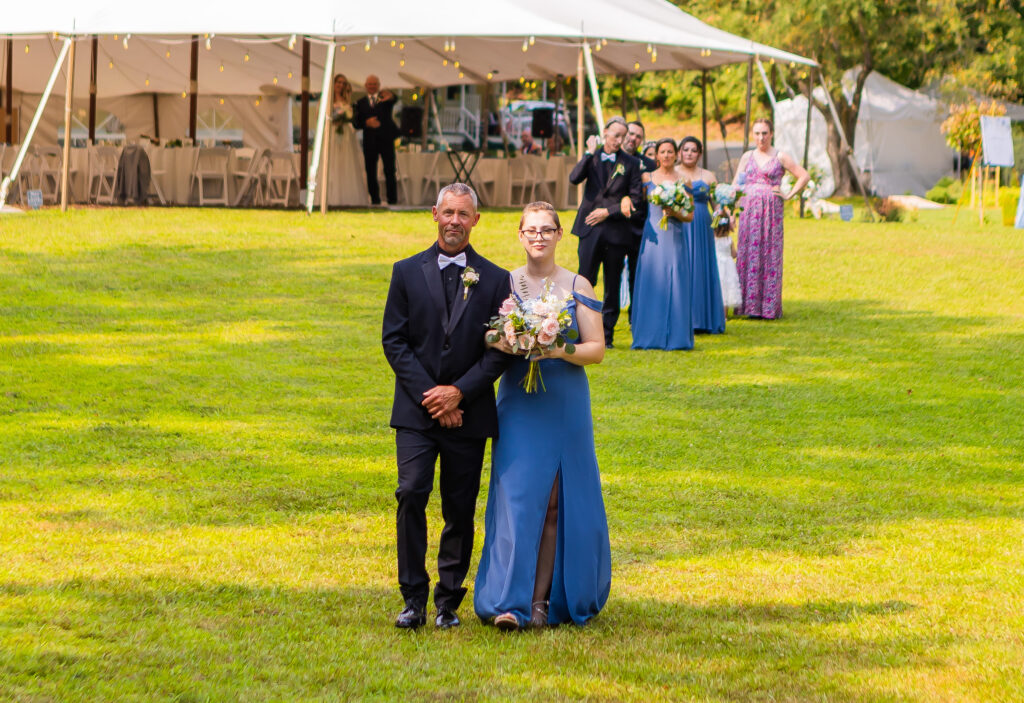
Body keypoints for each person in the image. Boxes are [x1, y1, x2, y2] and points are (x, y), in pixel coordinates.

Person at [474, 201, 611, 630]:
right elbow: (487, 336)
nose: (538, 236)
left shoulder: (577, 283)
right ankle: (507, 600)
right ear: (519, 235)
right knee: (516, 498)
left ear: (558, 235)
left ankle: (539, 601)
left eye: (546, 229)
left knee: (554, 501)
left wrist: (553, 348)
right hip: (518, 402)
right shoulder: (503, 282)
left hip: (564, 401)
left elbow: (596, 349)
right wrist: (513, 342)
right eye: (530, 230)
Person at [381, 184, 511, 630]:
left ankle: (448, 600)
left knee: (459, 506)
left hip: (468, 413)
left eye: (464, 214)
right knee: (411, 493)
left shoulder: (496, 279)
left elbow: (499, 350)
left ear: (477, 220)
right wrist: (434, 397)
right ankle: (413, 599)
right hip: (417, 414)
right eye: (448, 212)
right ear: (433, 213)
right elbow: (394, 341)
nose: (455, 220)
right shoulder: (404, 271)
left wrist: (459, 393)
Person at [569, 116, 643, 348]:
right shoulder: (593, 156)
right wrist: (588, 154)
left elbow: (636, 197)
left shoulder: (630, 163)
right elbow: (574, 178)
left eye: (624, 136)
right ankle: (579, 329)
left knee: (612, 284)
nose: (619, 140)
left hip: (616, 232)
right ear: (605, 133)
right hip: (590, 228)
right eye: (615, 135)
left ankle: (607, 335)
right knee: (585, 279)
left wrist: (609, 211)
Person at [733, 118, 809, 319]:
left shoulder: (780, 156)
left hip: (770, 213)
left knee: (769, 253)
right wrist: (730, 210)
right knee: (747, 253)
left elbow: (803, 175)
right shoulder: (747, 156)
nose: (761, 137)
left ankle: (767, 307)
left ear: (771, 133)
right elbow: (736, 184)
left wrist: (789, 194)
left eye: (764, 133)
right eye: (757, 133)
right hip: (748, 212)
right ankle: (746, 306)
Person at [630, 138, 694, 350]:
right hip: (653, 236)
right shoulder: (646, 177)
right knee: (652, 279)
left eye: (670, 152)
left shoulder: (684, 180)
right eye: (662, 152)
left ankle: (677, 336)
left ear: (676, 155)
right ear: (656, 155)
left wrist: (675, 211)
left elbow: (690, 215)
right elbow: (637, 205)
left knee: (676, 281)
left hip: (674, 236)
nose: (666, 155)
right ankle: (650, 334)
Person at [678, 137, 725, 334]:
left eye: (693, 150)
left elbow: (717, 205)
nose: (689, 153)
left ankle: (703, 318)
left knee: (701, 267)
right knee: (683, 267)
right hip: (680, 223)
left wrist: (717, 222)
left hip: (702, 226)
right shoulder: (674, 174)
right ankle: (682, 317)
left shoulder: (708, 176)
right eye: (685, 149)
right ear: (680, 152)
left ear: (700, 153)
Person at [620, 120, 657, 325]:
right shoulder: (612, 159)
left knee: (637, 274)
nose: (633, 139)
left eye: (638, 136)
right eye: (631, 134)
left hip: (639, 226)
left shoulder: (649, 165)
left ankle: (636, 316)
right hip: (614, 225)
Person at [354, 74, 399, 206]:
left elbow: (395, 98)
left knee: (390, 170)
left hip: (386, 140)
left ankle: (392, 200)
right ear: (366, 86)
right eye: (370, 84)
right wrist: (366, 123)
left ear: (378, 86)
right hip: (370, 142)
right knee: (370, 171)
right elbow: (356, 122)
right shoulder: (360, 102)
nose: (372, 86)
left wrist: (391, 95)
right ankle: (375, 200)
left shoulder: (385, 99)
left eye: (375, 84)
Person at [326, 74, 369, 207]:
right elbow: (323, 116)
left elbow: (351, 116)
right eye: (339, 82)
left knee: (347, 164)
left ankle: (347, 197)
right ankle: (331, 197)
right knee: (333, 163)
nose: (341, 85)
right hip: (333, 133)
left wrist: (345, 116)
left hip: (345, 135)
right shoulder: (327, 99)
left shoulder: (346, 99)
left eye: (343, 83)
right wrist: (334, 120)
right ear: (334, 84)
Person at [714, 224, 743, 318]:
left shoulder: (713, 240)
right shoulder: (729, 240)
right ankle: (725, 315)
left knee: (720, 287)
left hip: (717, 264)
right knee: (727, 288)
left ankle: (717, 313)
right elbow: (734, 254)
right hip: (728, 266)